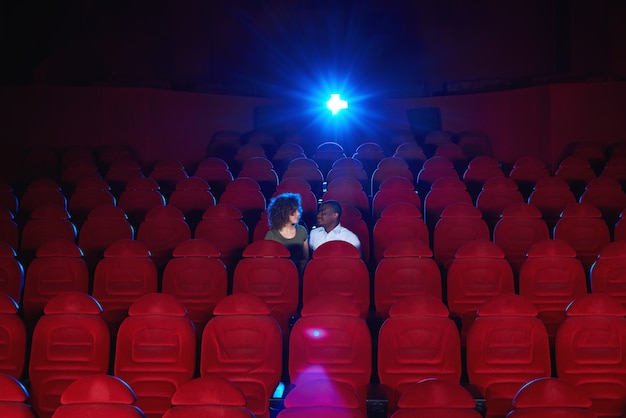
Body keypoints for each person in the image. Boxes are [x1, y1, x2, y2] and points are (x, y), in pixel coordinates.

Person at [265, 192, 309, 272]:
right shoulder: (271, 235)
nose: (298, 214)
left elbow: (305, 258)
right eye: (293, 211)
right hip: (279, 273)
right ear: (283, 213)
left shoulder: (302, 231)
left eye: (298, 210)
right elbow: (269, 261)